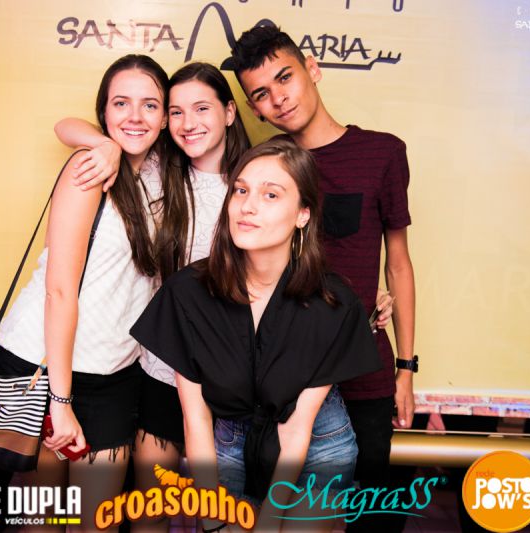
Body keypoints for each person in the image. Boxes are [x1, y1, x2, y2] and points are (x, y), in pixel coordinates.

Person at [131, 138, 381, 532]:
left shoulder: (333, 303)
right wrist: (211, 516)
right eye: (241, 190)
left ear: (303, 214)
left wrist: (268, 522)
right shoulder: (187, 293)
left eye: (271, 195)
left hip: (317, 444)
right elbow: (195, 419)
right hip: (228, 442)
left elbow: (296, 428)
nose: (247, 206)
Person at [0, 54, 172, 532]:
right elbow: (59, 291)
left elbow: (66, 125)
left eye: (150, 105)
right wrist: (60, 403)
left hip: (112, 369)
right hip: (42, 364)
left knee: (94, 519)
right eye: (120, 103)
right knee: (32, 515)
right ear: (103, 111)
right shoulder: (90, 168)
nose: (135, 116)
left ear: (166, 117)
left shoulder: (163, 172)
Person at [230, 24, 417, 532]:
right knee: (278, 514)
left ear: (312, 69)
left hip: (363, 373)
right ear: (253, 109)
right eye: (260, 94)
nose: (277, 99)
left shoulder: (382, 153)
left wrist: (406, 368)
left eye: (284, 78)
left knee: (371, 517)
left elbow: (398, 263)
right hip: (283, 377)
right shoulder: (265, 165)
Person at [54, 62, 252, 532]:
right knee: (150, 513)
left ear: (229, 112)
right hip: (161, 373)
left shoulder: (255, 181)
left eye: (202, 109)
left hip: (232, 380)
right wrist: (102, 143)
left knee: (228, 511)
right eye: (177, 111)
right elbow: (65, 126)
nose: (188, 123)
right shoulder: (157, 168)